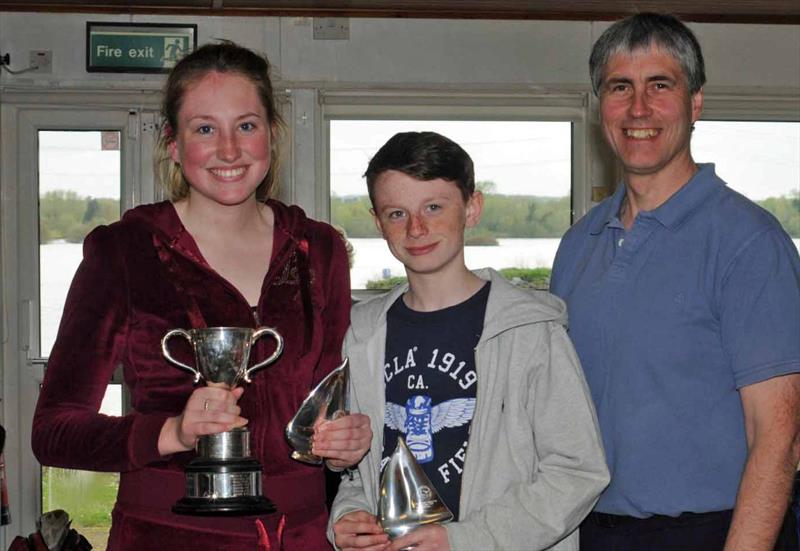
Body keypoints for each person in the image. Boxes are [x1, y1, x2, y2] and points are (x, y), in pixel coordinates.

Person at [32, 41, 371, 550]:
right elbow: (53, 431)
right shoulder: (124, 252)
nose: (229, 150)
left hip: (299, 532)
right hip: (167, 534)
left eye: (247, 126)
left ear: (272, 136)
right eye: (205, 128)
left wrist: (343, 443)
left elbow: (326, 406)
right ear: (172, 142)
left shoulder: (318, 249)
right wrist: (170, 432)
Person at [550, 13, 800, 551]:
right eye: (621, 87)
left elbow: (778, 438)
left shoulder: (749, 242)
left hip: (715, 531)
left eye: (660, 85)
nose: (639, 109)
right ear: (601, 109)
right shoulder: (578, 244)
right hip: (588, 531)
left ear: (695, 104)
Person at [329, 131, 610, 551]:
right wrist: (348, 517)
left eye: (434, 207)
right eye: (397, 214)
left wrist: (467, 540)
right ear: (377, 222)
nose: (417, 228)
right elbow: (363, 465)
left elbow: (577, 473)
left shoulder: (530, 331)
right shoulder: (365, 333)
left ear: (472, 208)